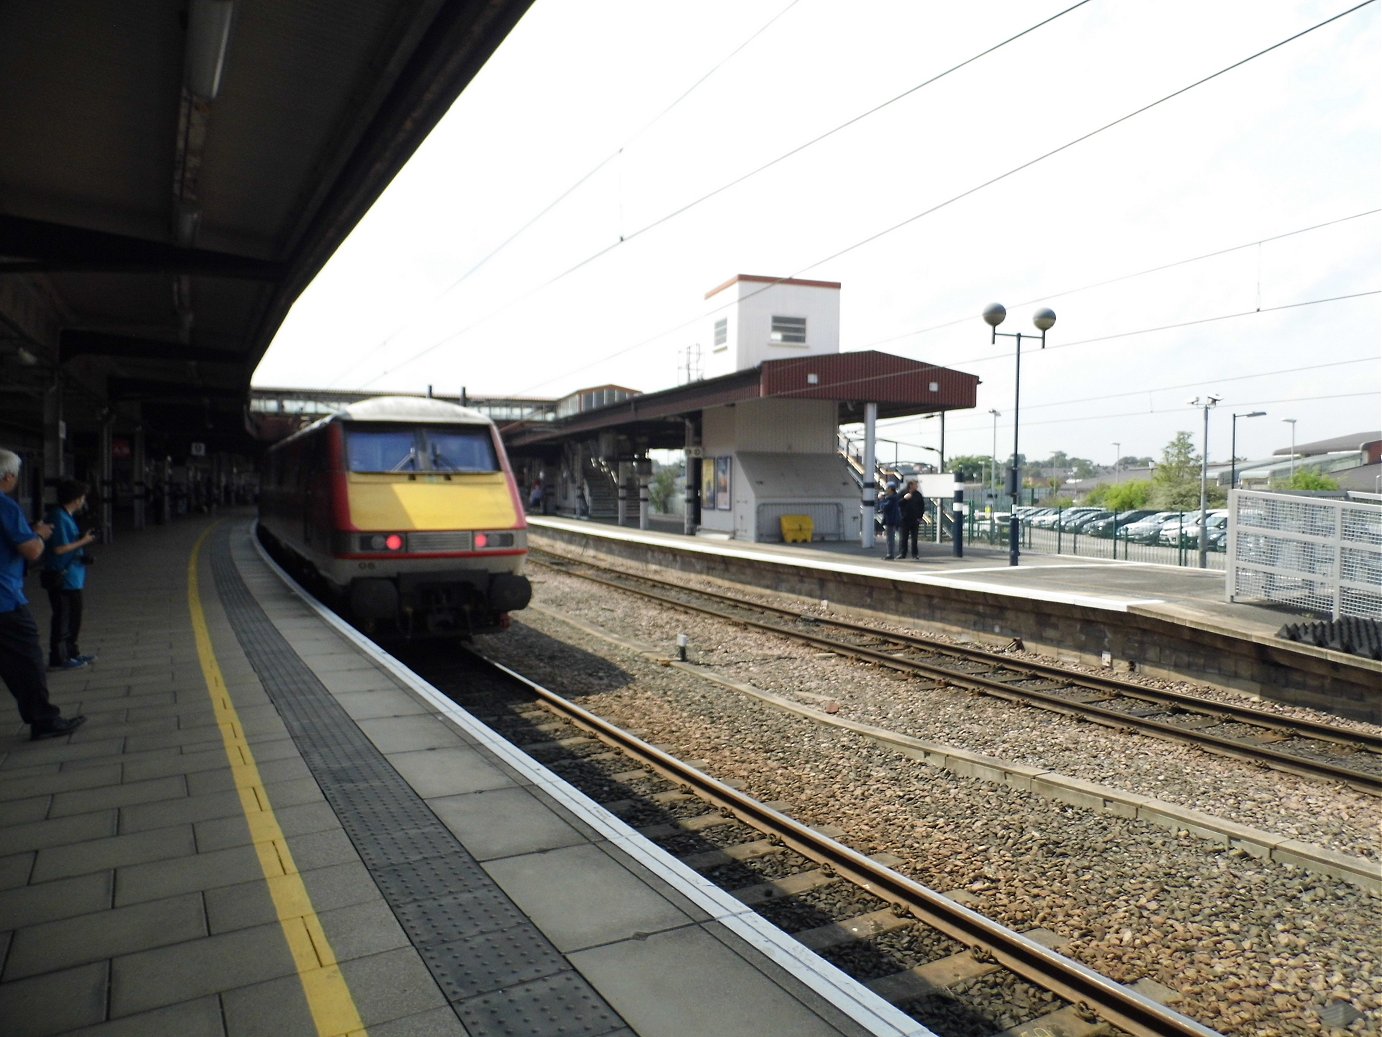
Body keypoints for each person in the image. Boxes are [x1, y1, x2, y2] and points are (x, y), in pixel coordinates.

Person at [0, 449, 86, 741]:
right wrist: (38, 535)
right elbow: (33, 550)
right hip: (5, 600)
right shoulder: (6, 507)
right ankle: (45, 720)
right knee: (27, 660)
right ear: (9, 476)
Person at [42, 479, 98, 671]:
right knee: (63, 618)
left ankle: (72, 653)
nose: (83, 501)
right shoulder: (58, 517)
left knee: (73, 617)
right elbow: (59, 549)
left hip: (72, 577)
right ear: (76, 499)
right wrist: (84, 541)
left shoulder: (65, 515)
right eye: (82, 497)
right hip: (62, 578)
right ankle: (59, 658)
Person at [900, 479, 927, 560]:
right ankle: (902, 553)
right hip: (904, 519)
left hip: (915, 520)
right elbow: (898, 503)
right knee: (903, 538)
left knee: (914, 538)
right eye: (915, 484)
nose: (917, 486)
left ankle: (915, 554)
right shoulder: (903, 492)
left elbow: (922, 507)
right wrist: (904, 499)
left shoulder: (918, 495)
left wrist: (920, 517)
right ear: (911, 485)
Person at [877, 483, 902, 560]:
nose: (886, 490)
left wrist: (881, 500)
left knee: (890, 538)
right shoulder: (894, 498)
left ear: (891, 489)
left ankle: (890, 554)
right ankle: (890, 553)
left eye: (887, 488)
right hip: (894, 520)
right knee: (890, 538)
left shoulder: (891, 499)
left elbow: (885, 507)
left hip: (890, 520)